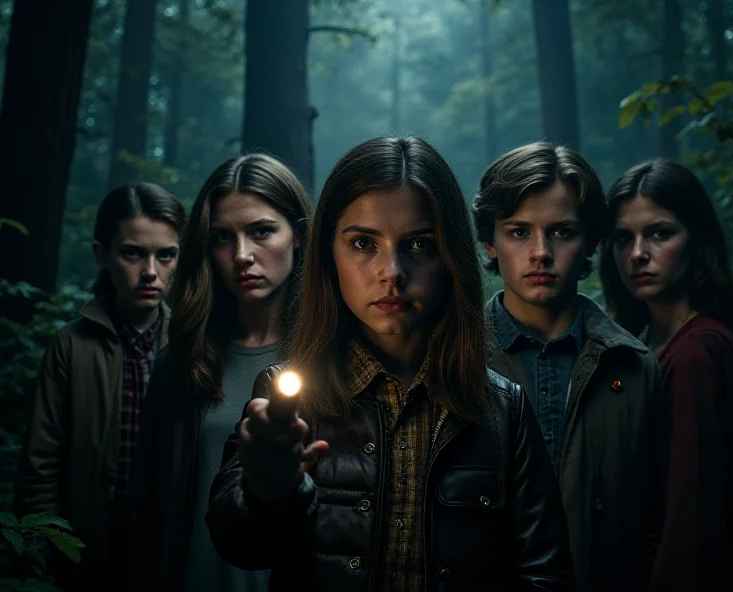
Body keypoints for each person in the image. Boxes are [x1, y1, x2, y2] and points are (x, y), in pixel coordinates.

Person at [205, 136, 574, 591]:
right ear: (328, 255)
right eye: (363, 243)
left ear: (451, 257)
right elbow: (238, 543)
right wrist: (270, 490)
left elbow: (545, 574)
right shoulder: (285, 395)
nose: (392, 271)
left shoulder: (503, 409)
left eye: (419, 244)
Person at [473, 142, 665, 592]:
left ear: (590, 242)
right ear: (490, 241)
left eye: (561, 232)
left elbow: (657, 521)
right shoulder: (452, 361)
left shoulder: (635, 368)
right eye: (519, 232)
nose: (541, 252)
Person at [127, 153, 312, 591]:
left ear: (300, 235)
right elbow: (143, 507)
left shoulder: (334, 360)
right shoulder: (182, 363)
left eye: (262, 231)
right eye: (222, 238)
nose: (242, 255)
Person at [600, 159, 733, 591]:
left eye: (660, 233)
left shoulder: (697, 354)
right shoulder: (650, 352)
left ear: (696, 238)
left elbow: (690, 524)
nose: (638, 254)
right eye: (623, 238)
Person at [14, 183, 186, 590]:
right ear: (102, 255)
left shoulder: (191, 347)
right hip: (84, 562)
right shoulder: (70, 347)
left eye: (166, 255)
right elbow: (40, 468)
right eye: (133, 253)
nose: (150, 272)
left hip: (166, 563)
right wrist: (43, 561)